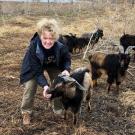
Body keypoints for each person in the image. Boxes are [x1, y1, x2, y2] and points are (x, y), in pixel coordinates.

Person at [20, 18, 71, 125]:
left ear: (56, 37)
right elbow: (37, 72)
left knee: (59, 82)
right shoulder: (34, 46)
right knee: (30, 85)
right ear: (40, 35)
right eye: (45, 37)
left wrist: (66, 69)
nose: (48, 41)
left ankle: (58, 108)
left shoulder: (61, 43)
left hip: (53, 63)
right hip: (35, 66)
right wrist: (45, 86)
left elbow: (67, 58)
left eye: (51, 38)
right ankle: (26, 111)